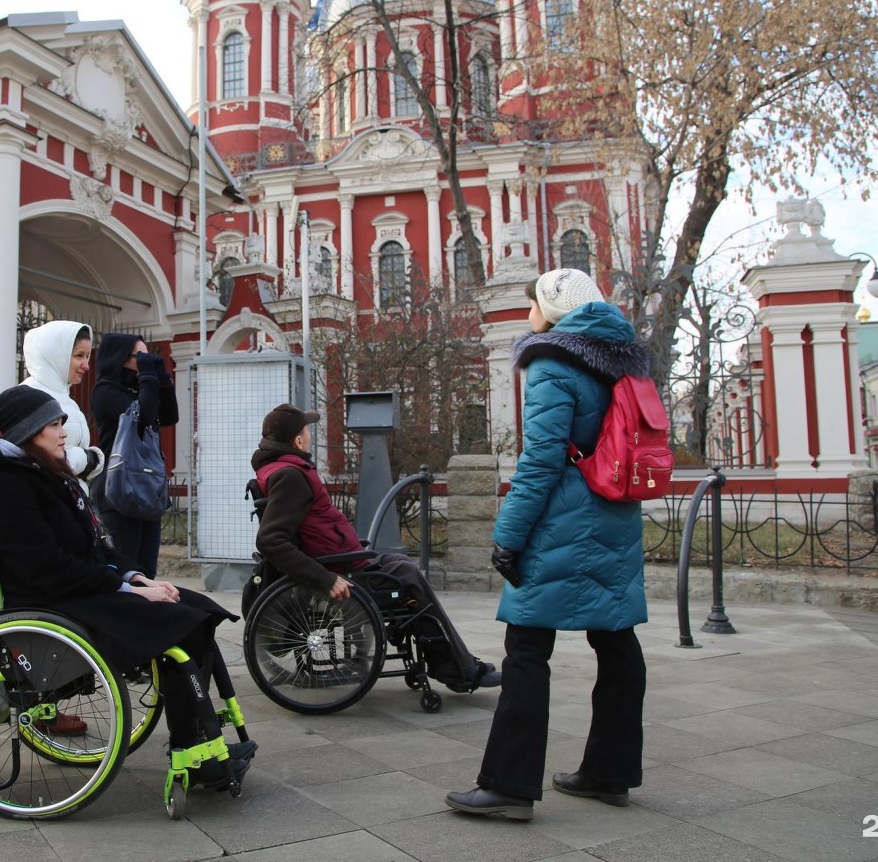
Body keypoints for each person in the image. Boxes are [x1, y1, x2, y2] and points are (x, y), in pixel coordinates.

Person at [0, 385, 254, 786]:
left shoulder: (46, 473)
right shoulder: (6, 485)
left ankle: (202, 742)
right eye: (53, 424)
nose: (63, 432)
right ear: (27, 433)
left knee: (199, 610)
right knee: (179, 625)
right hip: (54, 601)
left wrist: (137, 577)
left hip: (80, 589)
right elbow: (44, 567)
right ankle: (193, 755)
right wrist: (128, 592)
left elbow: (98, 544)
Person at [447, 269, 649, 821]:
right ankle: (610, 774)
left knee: (528, 650)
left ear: (553, 310)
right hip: (617, 515)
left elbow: (540, 460)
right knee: (616, 643)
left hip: (563, 521)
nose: (527, 312)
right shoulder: (624, 358)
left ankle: (509, 786)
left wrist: (508, 537)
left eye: (531, 302)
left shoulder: (552, 360)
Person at [252, 404, 500, 693]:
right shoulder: (290, 475)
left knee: (400, 565)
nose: (309, 435)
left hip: (343, 560)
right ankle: (458, 668)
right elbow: (271, 540)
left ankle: (455, 662)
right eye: (306, 430)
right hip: (338, 567)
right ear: (297, 440)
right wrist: (325, 578)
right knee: (408, 575)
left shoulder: (279, 468)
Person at [89, 332, 177, 577]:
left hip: (147, 486)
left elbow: (169, 416)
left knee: (147, 572)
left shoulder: (139, 388)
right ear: (120, 358)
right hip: (119, 489)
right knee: (127, 570)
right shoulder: (105, 391)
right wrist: (148, 377)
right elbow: (144, 415)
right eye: (140, 356)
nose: (144, 361)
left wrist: (162, 379)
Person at [19, 320, 104, 487]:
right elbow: (31, 459)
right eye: (79, 356)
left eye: (87, 356)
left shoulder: (68, 400)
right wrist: (85, 458)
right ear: (57, 355)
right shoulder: (29, 396)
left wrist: (90, 459)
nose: (86, 365)